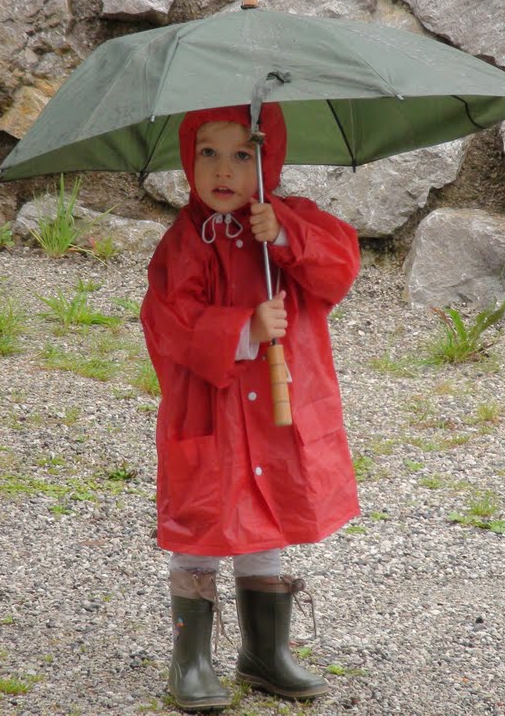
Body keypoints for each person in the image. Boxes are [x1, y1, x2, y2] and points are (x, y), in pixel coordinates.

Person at [140, 102, 361, 711]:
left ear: (271, 160)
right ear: (189, 159)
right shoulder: (185, 242)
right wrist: (243, 329)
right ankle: (191, 659)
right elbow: (167, 324)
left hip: (273, 409)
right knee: (206, 514)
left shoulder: (292, 222)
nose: (224, 170)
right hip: (209, 409)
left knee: (268, 511)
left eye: (244, 154)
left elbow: (338, 271)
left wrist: (286, 236)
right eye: (208, 152)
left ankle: (265, 652)